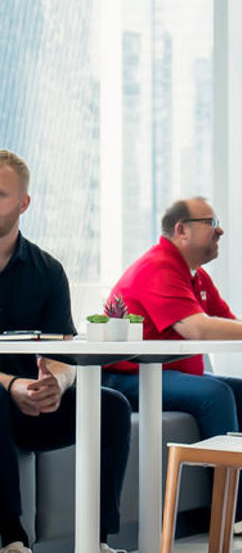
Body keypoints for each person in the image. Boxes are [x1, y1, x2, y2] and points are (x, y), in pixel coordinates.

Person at [102, 197, 242, 534]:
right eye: (212, 223)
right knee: (216, 394)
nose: (221, 231)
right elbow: (197, 329)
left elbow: (226, 323)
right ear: (181, 230)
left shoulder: (194, 276)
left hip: (166, 375)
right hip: (128, 378)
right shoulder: (158, 268)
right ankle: (235, 509)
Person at [0, 151, 132, 553]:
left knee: (111, 406)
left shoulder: (47, 271)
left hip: (34, 405)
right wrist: (12, 386)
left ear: (24, 203)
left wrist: (56, 383)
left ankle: (97, 541)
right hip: (4, 397)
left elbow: (63, 351)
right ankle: (11, 539)